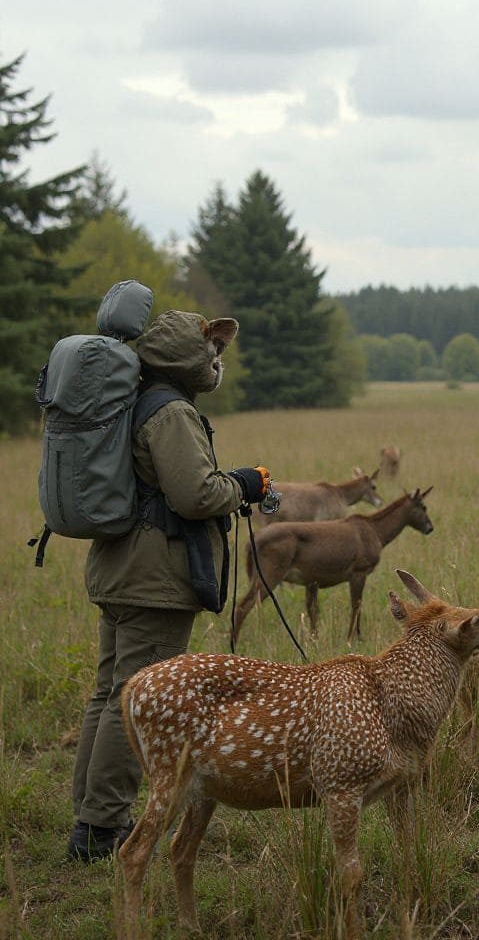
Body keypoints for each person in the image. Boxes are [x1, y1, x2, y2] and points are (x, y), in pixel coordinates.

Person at [67, 310, 272, 861]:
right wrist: (245, 484)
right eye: (211, 353)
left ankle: (91, 816)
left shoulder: (137, 401)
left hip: (120, 568)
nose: (216, 362)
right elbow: (196, 496)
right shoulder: (172, 411)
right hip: (153, 577)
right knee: (133, 701)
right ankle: (103, 829)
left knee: (109, 695)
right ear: (190, 357)